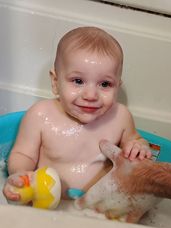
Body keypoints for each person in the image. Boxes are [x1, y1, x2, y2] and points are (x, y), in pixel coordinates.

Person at [3, 26, 151, 204]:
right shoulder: (40, 116)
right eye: (78, 81)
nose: (90, 95)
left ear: (117, 86)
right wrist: (23, 175)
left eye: (104, 84)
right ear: (56, 82)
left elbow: (134, 141)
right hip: (48, 205)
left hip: (98, 207)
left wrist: (139, 147)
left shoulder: (120, 117)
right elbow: (22, 154)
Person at [76, 140, 171, 222]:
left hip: (112, 212)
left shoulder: (120, 116)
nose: (91, 97)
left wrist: (138, 147)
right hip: (79, 210)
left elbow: (136, 140)